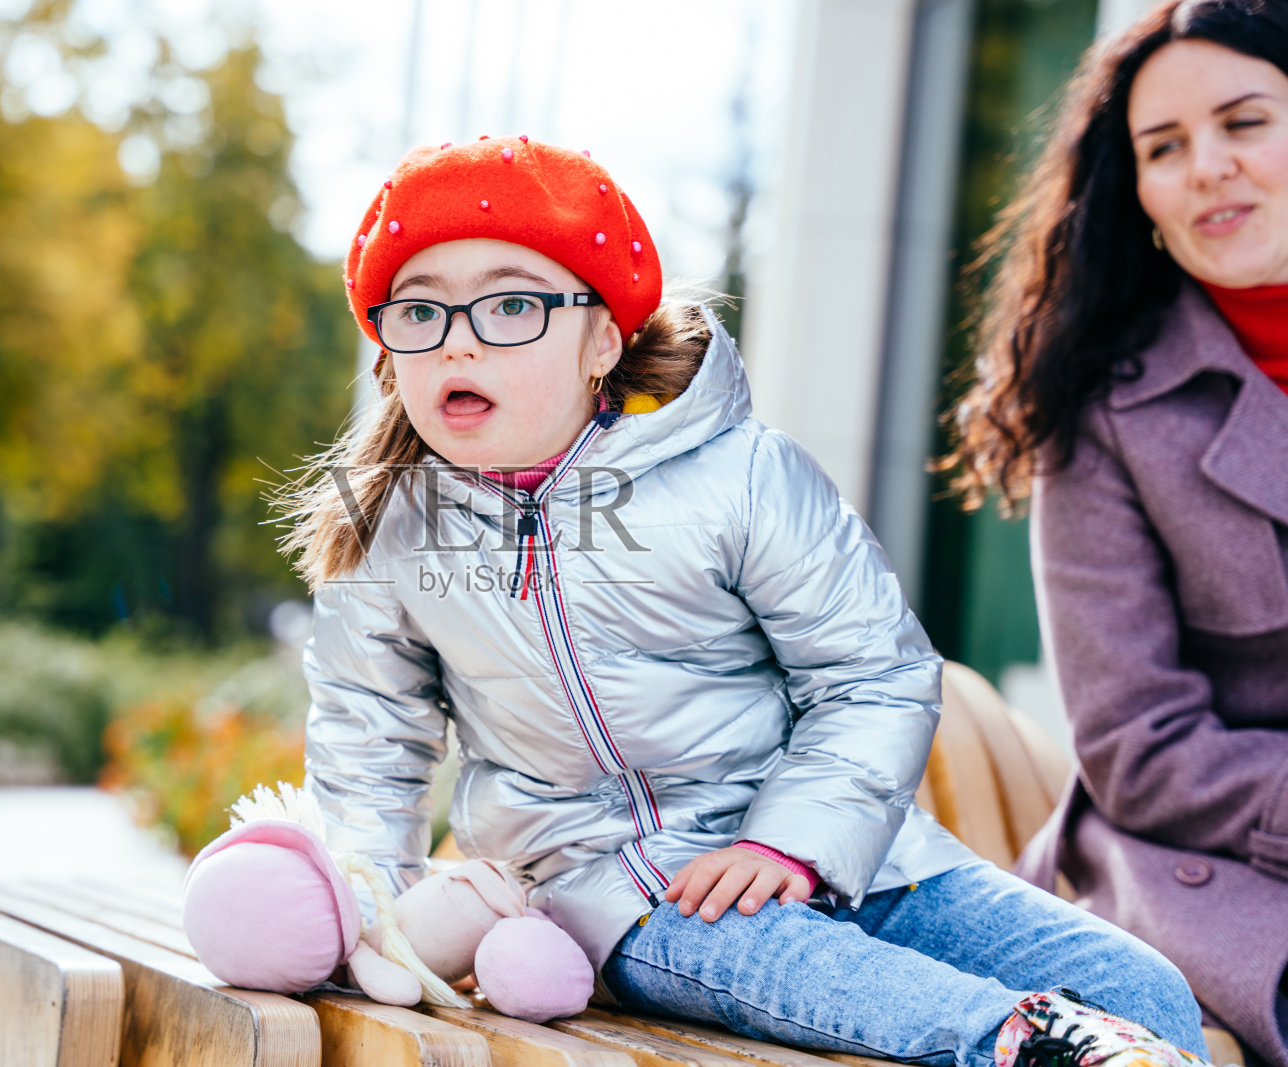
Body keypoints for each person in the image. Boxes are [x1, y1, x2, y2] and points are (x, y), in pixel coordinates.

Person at [279, 134, 1208, 1067]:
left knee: (1141, 989)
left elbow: (871, 674)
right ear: (390, 352)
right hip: (609, 894)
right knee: (767, 955)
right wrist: (379, 926)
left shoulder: (743, 476)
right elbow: (371, 740)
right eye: (420, 311)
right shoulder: (393, 530)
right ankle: (1018, 1043)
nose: (461, 339)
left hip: (847, 855)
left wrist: (791, 846)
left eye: (513, 303)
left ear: (604, 338)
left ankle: (1075, 1038)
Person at [944, 2, 1288, 1064]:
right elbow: (1138, 745)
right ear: (1134, 190)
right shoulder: (1100, 410)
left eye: (1245, 122)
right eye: (1164, 148)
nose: (1208, 168)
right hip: (1218, 868)